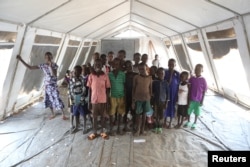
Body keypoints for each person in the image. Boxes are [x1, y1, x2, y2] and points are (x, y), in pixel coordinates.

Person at [16, 52, 67, 120]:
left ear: (52, 58)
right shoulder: (43, 65)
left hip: (53, 85)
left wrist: (50, 67)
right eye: (46, 57)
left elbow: (54, 75)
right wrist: (21, 60)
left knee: (57, 98)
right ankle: (53, 113)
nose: (48, 59)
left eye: (49, 57)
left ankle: (63, 114)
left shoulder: (54, 65)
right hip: (47, 85)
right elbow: (30, 67)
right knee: (48, 99)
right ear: (45, 58)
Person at [87, 59, 110, 140]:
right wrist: (89, 101)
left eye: (99, 64)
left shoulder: (105, 75)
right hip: (94, 100)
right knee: (94, 117)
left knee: (103, 117)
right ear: (94, 65)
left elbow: (107, 89)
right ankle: (94, 132)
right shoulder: (91, 76)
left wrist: (107, 100)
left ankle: (102, 132)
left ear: (102, 65)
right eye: (96, 64)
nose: (97, 65)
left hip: (103, 99)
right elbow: (89, 89)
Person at [183, 64, 207, 129]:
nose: (197, 71)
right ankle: (188, 121)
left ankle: (195, 123)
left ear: (202, 70)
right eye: (196, 69)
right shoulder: (192, 78)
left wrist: (202, 100)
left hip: (198, 99)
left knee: (197, 111)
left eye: (199, 69)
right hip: (191, 98)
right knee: (189, 110)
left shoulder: (203, 80)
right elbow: (188, 84)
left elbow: (204, 91)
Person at [132, 63, 152, 136]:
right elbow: (133, 89)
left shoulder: (149, 78)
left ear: (146, 69)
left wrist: (149, 99)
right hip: (138, 99)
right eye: (139, 69)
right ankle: (138, 129)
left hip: (146, 99)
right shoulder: (136, 77)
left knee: (144, 114)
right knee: (138, 115)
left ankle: (142, 129)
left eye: (143, 69)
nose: (141, 71)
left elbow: (150, 89)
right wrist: (133, 101)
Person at [69, 65, 90, 134]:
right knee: (76, 114)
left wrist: (80, 98)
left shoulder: (82, 80)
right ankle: (77, 126)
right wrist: (71, 100)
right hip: (74, 100)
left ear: (80, 72)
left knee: (83, 114)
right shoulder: (71, 80)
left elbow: (84, 90)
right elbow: (70, 90)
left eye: (77, 71)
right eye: (74, 71)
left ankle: (84, 126)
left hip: (81, 99)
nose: (75, 73)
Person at [108, 58, 126, 135]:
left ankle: (119, 128)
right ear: (112, 65)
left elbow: (124, 86)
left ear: (120, 65)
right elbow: (108, 87)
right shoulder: (109, 74)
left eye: (117, 64)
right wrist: (108, 97)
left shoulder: (123, 74)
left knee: (120, 113)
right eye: (114, 64)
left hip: (121, 96)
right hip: (112, 96)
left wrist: (125, 96)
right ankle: (111, 129)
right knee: (111, 114)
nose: (116, 65)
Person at [164, 58, 180, 128]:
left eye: (172, 65)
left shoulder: (177, 74)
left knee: (172, 108)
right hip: (167, 94)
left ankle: (170, 123)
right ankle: (164, 122)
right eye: (170, 64)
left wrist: (177, 96)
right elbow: (168, 82)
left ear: (175, 65)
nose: (171, 66)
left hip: (174, 94)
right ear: (168, 64)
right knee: (166, 107)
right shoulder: (165, 72)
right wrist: (171, 73)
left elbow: (179, 84)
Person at [152, 68, 169, 133]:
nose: (161, 75)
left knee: (161, 115)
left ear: (164, 74)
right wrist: (152, 101)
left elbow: (168, 93)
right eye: (159, 73)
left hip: (163, 101)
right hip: (156, 101)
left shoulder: (166, 83)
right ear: (157, 74)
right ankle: (156, 126)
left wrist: (166, 102)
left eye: (162, 73)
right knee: (156, 115)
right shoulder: (155, 82)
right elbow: (152, 92)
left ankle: (160, 127)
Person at [124, 60, 138, 132]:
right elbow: (123, 86)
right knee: (125, 111)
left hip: (134, 96)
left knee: (134, 112)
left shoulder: (136, 74)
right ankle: (125, 126)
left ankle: (134, 126)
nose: (129, 67)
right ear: (125, 68)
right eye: (127, 66)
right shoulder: (124, 75)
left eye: (130, 65)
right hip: (126, 96)